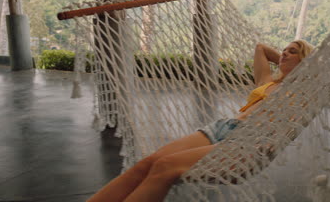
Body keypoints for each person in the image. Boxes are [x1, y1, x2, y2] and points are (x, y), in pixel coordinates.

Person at [88, 40, 314, 202]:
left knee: (164, 167)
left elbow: (297, 112)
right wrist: (288, 57)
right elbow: (261, 49)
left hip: (247, 141)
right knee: (147, 163)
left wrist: (301, 64)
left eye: (292, 52)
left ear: (305, 61)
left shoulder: (302, 91)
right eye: (283, 50)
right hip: (223, 127)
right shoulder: (267, 81)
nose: (283, 53)